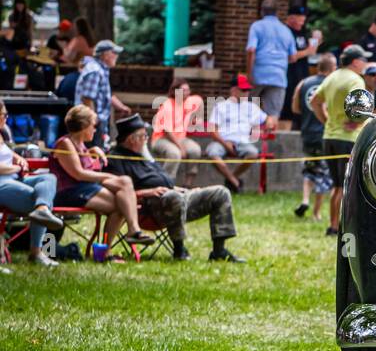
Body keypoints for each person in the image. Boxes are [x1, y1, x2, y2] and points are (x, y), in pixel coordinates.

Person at [107, 114, 245, 262]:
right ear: (131, 139)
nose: (146, 139)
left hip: (173, 196)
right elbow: (117, 191)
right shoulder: (117, 159)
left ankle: (219, 251)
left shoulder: (143, 155)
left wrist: (176, 188)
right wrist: (147, 192)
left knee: (220, 192)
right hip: (149, 208)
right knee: (174, 197)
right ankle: (179, 250)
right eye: (143, 136)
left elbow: (161, 179)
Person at [53, 105, 153, 250]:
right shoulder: (65, 144)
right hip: (68, 192)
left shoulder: (82, 145)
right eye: (94, 126)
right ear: (84, 125)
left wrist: (92, 152)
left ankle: (111, 247)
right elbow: (78, 173)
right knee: (122, 197)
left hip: (85, 189)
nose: (95, 129)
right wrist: (108, 176)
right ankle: (132, 231)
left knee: (123, 194)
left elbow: (88, 170)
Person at [310, 44, 369, 236]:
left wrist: (327, 121)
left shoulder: (332, 77)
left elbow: (314, 102)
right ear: (355, 62)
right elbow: (360, 109)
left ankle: (333, 225)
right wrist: (356, 122)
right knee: (346, 186)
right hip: (347, 139)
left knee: (336, 185)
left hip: (329, 137)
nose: (365, 64)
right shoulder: (355, 80)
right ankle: (342, 227)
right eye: (364, 60)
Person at [0, 104, 63, 267]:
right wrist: (17, 167)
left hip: (15, 179)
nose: (6, 119)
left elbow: (5, 152)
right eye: (3, 115)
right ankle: (37, 252)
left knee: (48, 178)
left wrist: (17, 157)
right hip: (2, 184)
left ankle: (42, 209)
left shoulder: (1, 134)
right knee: (36, 198)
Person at [207, 73, 271, 193]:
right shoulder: (220, 106)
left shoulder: (252, 107)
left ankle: (231, 179)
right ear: (233, 90)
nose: (247, 92)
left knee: (253, 153)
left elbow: (268, 119)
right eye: (243, 90)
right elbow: (213, 130)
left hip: (243, 142)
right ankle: (235, 182)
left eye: (248, 90)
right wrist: (226, 144)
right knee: (212, 153)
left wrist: (268, 124)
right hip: (222, 141)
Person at [291, 52, 335, 219]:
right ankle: (316, 213)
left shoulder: (304, 83)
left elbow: (295, 108)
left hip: (307, 134)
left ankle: (305, 200)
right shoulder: (330, 84)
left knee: (310, 169)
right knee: (323, 174)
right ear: (332, 68)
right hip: (324, 134)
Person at [245, 0, 296, 125]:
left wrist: (249, 73)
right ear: (277, 12)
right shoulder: (286, 30)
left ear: (262, 11)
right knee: (273, 114)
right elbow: (293, 57)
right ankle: (269, 141)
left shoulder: (257, 26)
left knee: (249, 109)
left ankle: (249, 138)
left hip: (258, 74)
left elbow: (251, 50)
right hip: (278, 76)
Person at [74, 39, 129, 148]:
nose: (116, 56)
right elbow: (87, 99)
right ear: (105, 55)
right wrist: (92, 122)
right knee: (93, 154)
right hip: (91, 122)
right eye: (114, 53)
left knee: (98, 153)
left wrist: (121, 107)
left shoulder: (100, 69)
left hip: (96, 121)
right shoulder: (95, 71)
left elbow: (105, 94)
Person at [151, 77, 204, 186]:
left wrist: (197, 118)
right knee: (175, 153)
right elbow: (167, 131)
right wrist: (181, 148)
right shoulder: (167, 105)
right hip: (161, 139)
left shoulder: (190, 101)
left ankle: (187, 185)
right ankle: (165, 184)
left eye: (188, 90)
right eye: (183, 91)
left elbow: (199, 100)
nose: (187, 93)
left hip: (181, 138)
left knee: (195, 150)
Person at [284, 4, 321, 131]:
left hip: (301, 75)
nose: (302, 21)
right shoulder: (286, 32)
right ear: (291, 18)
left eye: (304, 18)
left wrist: (316, 40)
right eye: (300, 18)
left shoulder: (302, 33)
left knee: (300, 106)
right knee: (287, 109)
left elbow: (312, 52)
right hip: (289, 75)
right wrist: (307, 51)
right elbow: (290, 56)